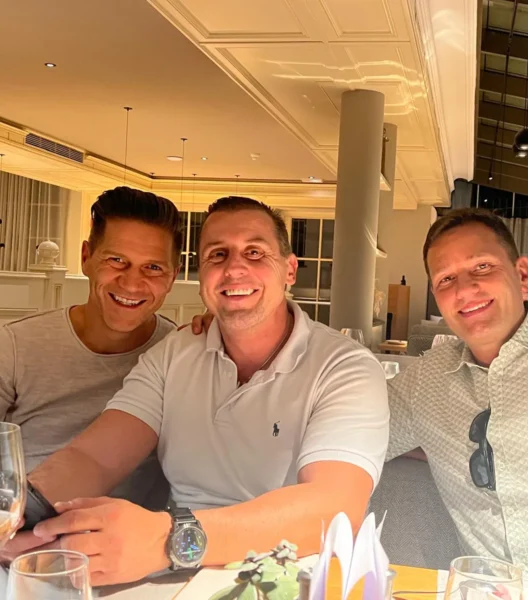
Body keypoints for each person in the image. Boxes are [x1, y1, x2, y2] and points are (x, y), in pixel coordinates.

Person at [11, 196, 388, 586]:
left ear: (289, 269)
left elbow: (333, 507)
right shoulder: (174, 353)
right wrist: (23, 511)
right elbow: (94, 458)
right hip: (176, 577)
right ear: (201, 274)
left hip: (296, 578)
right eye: (217, 255)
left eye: (255, 253)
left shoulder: (345, 367)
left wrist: (170, 539)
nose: (234, 268)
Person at [386, 208, 528, 582]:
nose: (465, 289)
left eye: (482, 267)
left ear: (521, 274)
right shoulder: (426, 381)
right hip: (487, 588)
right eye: (446, 279)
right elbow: (341, 435)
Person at [0, 186, 183, 560]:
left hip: (130, 559)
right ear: (86, 257)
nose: (132, 283)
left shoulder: (180, 355)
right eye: (116, 260)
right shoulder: (15, 346)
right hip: (19, 547)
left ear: (172, 276)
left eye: (153, 267)